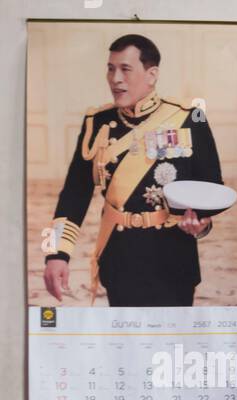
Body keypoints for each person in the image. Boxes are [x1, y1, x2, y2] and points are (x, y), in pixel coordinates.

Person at [42, 33, 224, 307]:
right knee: (124, 343)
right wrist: (56, 253)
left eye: (125, 69)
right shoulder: (98, 122)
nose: (115, 79)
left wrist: (201, 224)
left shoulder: (188, 118)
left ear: (151, 75)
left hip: (172, 257)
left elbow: (211, 187)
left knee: (171, 344)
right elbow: (74, 193)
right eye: (111, 68)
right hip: (119, 254)